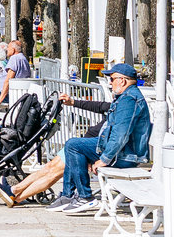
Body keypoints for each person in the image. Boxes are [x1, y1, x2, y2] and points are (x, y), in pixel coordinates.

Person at [56, 64, 152, 214]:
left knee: (73, 145)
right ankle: (68, 195)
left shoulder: (129, 100)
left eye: (112, 79)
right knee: (74, 145)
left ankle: (85, 197)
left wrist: (105, 159)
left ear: (123, 81)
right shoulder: (124, 97)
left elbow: (120, 135)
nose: (110, 82)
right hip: (119, 150)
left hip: (126, 155)